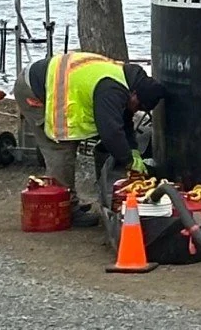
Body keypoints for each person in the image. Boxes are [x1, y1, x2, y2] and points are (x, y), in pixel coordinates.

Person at [13, 52, 166, 218]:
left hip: (53, 79)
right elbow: (111, 133)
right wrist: (129, 160)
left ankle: (66, 200)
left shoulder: (127, 79)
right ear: (135, 94)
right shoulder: (111, 89)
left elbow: (124, 119)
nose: (137, 110)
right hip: (34, 90)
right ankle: (66, 209)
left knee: (66, 146)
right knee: (59, 148)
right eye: (139, 106)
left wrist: (133, 149)